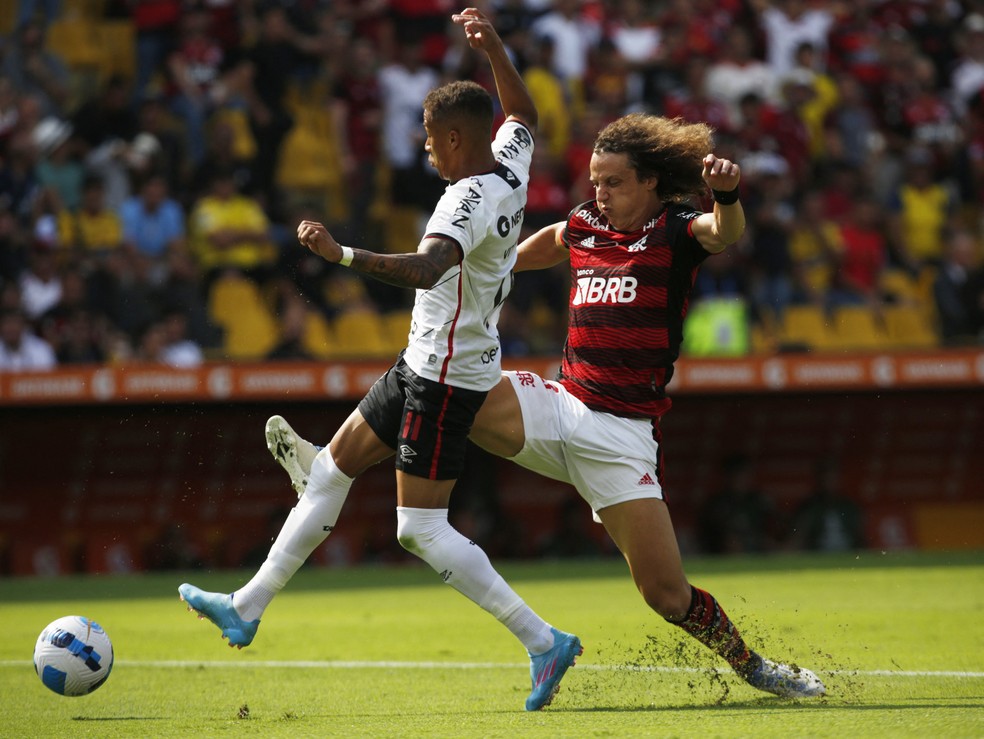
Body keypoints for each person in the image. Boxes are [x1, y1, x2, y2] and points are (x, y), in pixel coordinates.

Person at [269, 112, 826, 701]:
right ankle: (330, 463)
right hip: (559, 405)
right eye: (594, 181)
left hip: (621, 437)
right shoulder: (584, 224)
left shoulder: (676, 231)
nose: (598, 194)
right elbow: (533, 246)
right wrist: (491, 259)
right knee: (444, 375)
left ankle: (755, 667)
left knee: (667, 596)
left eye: (612, 183)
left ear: (650, 184)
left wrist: (729, 195)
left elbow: (725, 232)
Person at [178, 9, 582, 713]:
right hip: (422, 359)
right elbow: (523, 109)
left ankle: (543, 638)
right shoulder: (509, 161)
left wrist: (341, 255)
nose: (425, 150)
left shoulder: (464, 201)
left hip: (444, 377)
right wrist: (491, 48)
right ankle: (247, 604)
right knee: (330, 468)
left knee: (417, 528)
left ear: (455, 138)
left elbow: (428, 269)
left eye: (430, 139)